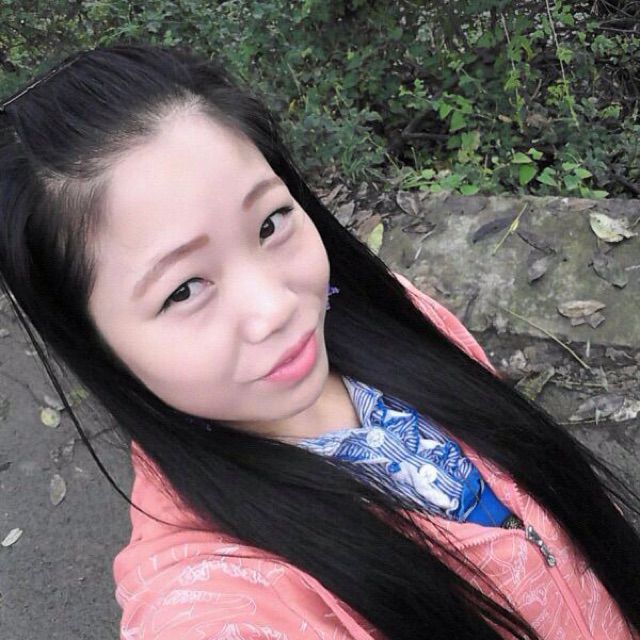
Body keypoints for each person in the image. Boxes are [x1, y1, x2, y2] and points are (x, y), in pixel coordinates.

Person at [0, 43, 638, 640]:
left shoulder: (390, 313)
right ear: (93, 341)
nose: (277, 308)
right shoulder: (216, 600)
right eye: (185, 290)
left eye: (270, 223)